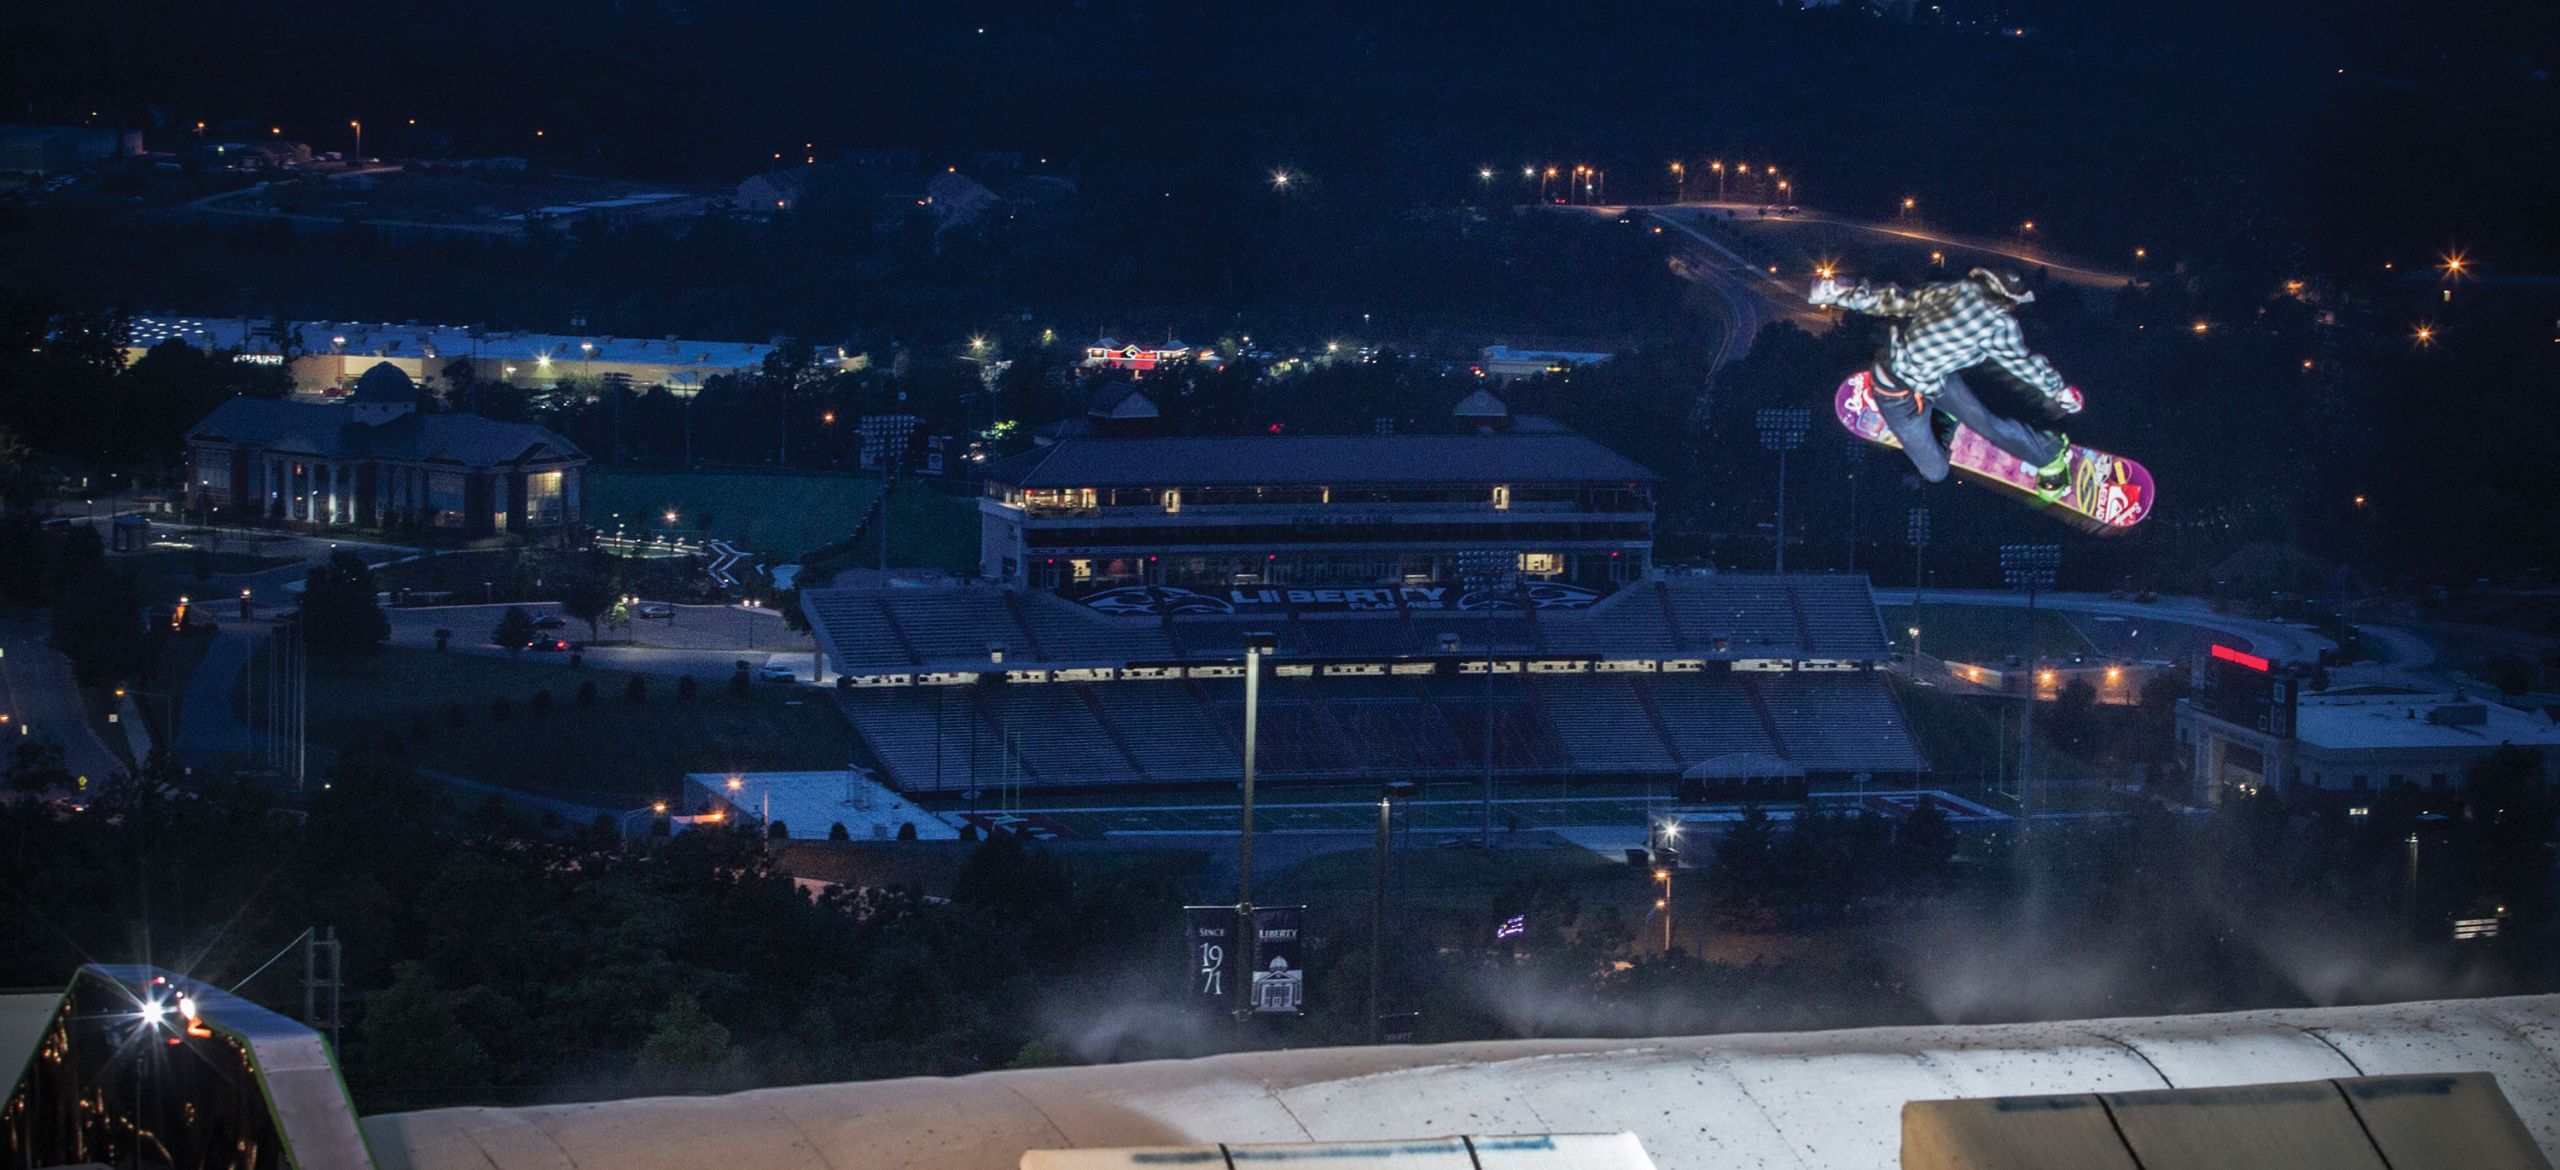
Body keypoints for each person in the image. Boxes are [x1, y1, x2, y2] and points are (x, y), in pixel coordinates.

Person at [1810, 268, 2084, 499]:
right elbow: (2025, 364)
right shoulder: (1999, 324)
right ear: (2008, 301)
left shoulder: (1948, 291)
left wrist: (1839, 292)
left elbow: (1890, 299)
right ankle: (2048, 457)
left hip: (1909, 381)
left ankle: (1943, 420)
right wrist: (2059, 392)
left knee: (1937, 472)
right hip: (1909, 397)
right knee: (1982, 430)